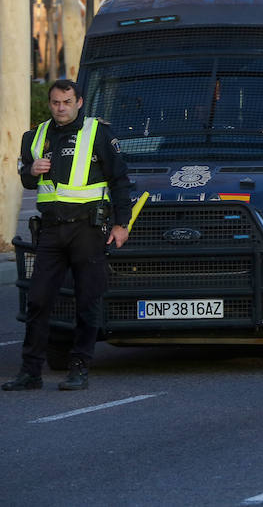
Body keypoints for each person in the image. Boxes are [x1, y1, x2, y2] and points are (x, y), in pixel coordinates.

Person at [5, 79, 133, 392]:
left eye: (66, 102)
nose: (61, 108)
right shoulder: (34, 137)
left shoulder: (98, 132)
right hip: (51, 230)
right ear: (50, 104)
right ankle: (30, 372)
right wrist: (31, 171)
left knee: (87, 300)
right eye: (55, 103)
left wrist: (122, 224)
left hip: (87, 230)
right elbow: (28, 183)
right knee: (38, 300)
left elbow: (119, 180)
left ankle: (79, 367)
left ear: (79, 102)